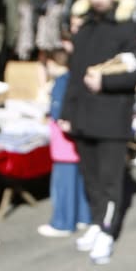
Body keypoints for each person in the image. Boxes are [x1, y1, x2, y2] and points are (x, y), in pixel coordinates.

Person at [60, 0, 136, 265]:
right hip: (83, 118)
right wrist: (66, 112)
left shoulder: (129, 28)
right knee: (91, 179)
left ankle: (107, 232)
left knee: (110, 180)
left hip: (112, 118)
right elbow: (74, 75)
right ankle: (98, 223)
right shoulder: (84, 29)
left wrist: (106, 82)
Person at [38, 49, 90, 237]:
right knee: (79, 184)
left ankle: (63, 223)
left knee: (64, 186)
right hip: (77, 143)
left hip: (64, 145)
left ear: (51, 63)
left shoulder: (60, 82)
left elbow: (58, 112)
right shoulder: (76, 79)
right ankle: (83, 217)